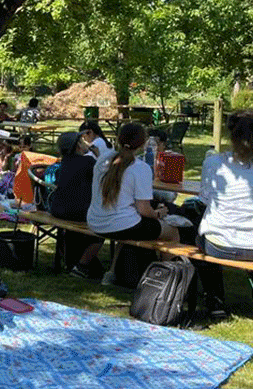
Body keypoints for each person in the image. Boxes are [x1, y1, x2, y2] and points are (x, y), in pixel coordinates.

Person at [87, 122, 179, 285]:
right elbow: (144, 209)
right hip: (119, 225)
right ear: (143, 144)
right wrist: (158, 214)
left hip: (96, 221)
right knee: (171, 232)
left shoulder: (103, 160)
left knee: (128, 224)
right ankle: (164, 282)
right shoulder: (140, 168)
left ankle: (112, 271)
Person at [198, 111, 253, 264]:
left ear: (231, 134)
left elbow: (205, 200)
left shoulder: (213, 163)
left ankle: (213, 288)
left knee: (196, 236)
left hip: (221, 244)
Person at [48, 132, 103, 278]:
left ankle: (71, 259)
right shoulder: (88, 163)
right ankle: (81, 266)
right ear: (78, 145)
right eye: (83, 140)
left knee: (75, 227)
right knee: (103, 229)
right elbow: (105, 176)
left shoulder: (64, 162)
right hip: (77, 211)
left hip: (58, 209)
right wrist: (99, 156)